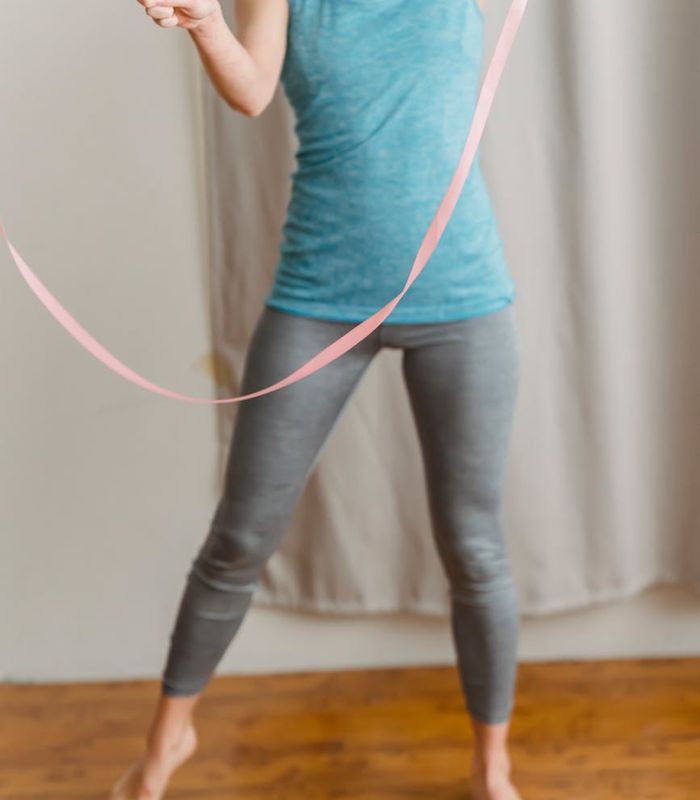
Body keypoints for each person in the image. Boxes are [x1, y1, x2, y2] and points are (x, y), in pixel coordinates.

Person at [112, 0, 522, 798]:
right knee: (238, 539)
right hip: (319, 292)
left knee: (476, 550)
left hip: (464, 296)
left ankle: (492, 770)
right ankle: (162, 752)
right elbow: (252, 91)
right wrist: (203, 23)